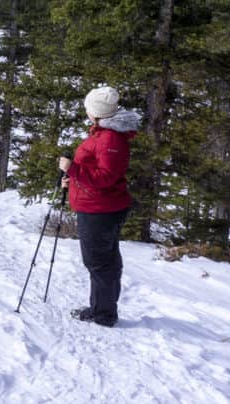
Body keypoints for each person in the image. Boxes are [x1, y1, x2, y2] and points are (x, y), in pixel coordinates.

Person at [58, 85, 139, 327]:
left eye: (88, 109)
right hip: (98, 206)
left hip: (100, 210)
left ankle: (103, 315)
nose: (86, 112)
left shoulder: (110, 138)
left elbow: (105, 177)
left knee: (99, 263)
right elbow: (96, 172)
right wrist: (73, 179)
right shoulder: (104, 132)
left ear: (98, 112)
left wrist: (72, 168)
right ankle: (101, 308)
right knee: (105, 261)